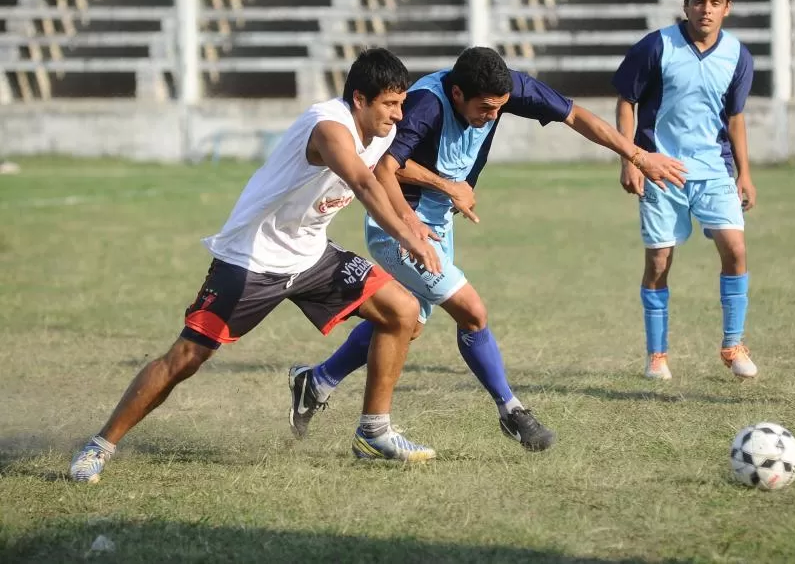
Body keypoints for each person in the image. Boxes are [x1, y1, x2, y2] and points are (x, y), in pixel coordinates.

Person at [69, 48, 443, 483]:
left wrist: (412, 221)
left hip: (311, 254)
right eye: (391, 104)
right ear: (359, 98)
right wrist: (403, 236)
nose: (399, 115)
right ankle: (99, 445)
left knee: (402, 312)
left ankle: (373, 432)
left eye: (401, 103)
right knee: (187, 357)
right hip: (252, 259)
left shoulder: (376, 130)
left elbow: (379, 172)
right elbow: (360, 181)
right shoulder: (329, 125)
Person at [286, 46, 687, 451]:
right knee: (472, 312)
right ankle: (512, 412)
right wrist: (442, 193)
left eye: (500, 107)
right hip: (397, 220)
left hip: (435, 223)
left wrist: (637, 155)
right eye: (485, 108)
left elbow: (575, 115)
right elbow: (386, 166)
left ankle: (316, 381)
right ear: (457, 94)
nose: (493, 116)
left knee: (407, 323)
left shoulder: (504, 88)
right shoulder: (426, 104)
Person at [612, 0, 758, 382]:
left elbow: (735, 117)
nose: (705, 10)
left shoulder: (738, 55)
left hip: (714, 170)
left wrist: (745, 174)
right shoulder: (656, 46)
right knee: (659, 261)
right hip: (661, 170)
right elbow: (626, 102)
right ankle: (657, 356)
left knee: (736, 250)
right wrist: (631, 160)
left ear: (727, 8)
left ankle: (732, 345)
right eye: (698, 1)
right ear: (686, 5)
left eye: (714, 3)